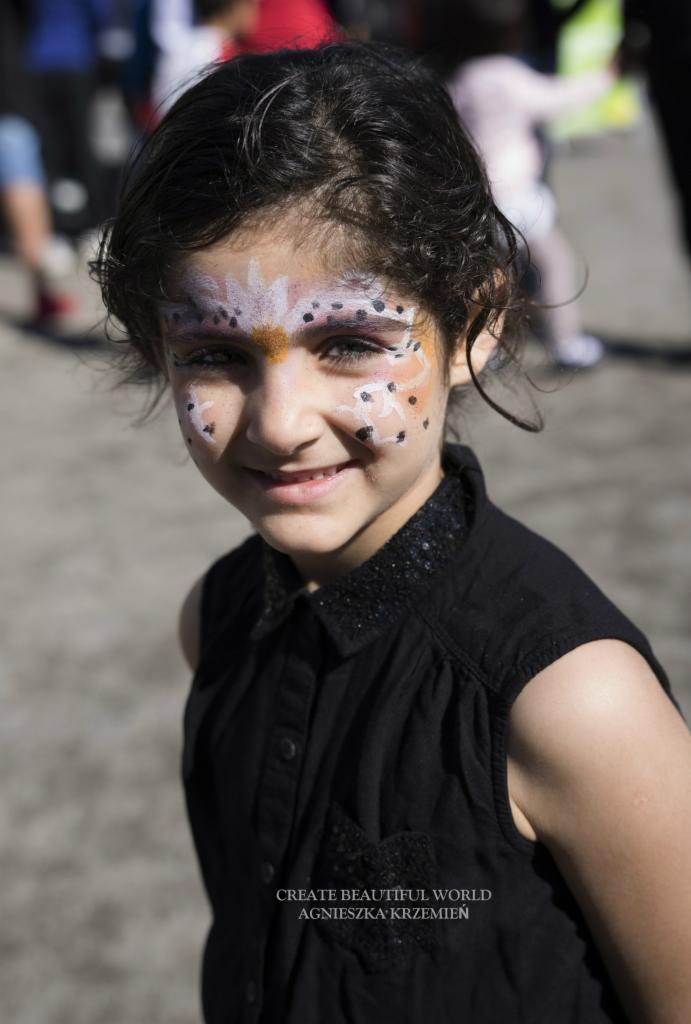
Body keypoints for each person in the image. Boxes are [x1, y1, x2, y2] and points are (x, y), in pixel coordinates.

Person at [93, 43, 691, 1024]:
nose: (280, 421)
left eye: (350, 344)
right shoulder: (220, 616)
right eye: (216, 354)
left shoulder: (572, 704)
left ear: (477, 323)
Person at [446, 7, 614, 368]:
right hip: (521, 197)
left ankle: (487, 351)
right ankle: (566, 342)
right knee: (555, 266)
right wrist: (606, 77)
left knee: (493, 281)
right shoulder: (511, 77)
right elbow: (558, 99)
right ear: (513, 35)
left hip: (485, 202)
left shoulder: (461, 80)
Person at [151, 0, 260, 119]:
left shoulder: (186, 45)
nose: (256, 13)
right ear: (233, 6)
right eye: (250, 4)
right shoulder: (214, 52)